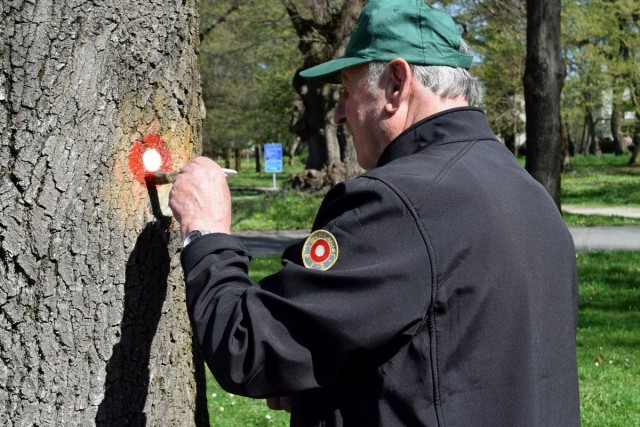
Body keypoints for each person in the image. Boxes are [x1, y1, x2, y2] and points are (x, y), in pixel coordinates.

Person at [168, 0, 581, 425]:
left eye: (347, 90)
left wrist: (206, 233)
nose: (339, 112)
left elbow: (248, 347)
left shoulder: (398, 202)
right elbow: (451, 357)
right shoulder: (527, 192)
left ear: (397, 84)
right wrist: (319, 387)